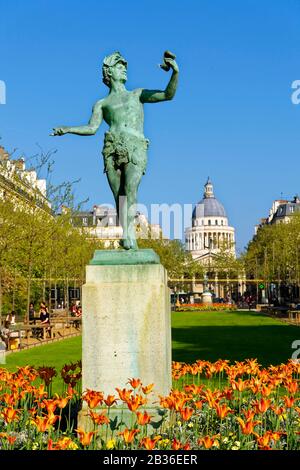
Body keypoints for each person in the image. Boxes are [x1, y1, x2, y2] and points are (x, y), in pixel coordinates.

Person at [52, 51, 178, 250]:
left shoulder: (137, 94)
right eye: (120, 67)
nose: (125, 70)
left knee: (130, 189)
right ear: (109, 73)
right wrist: (68, 129)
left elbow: (167, 95)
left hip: (135, 147)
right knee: (119, 197)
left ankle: (129, 237)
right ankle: (125, 235)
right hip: (111, 149)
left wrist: (175, 73)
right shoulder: (102, 104)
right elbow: (92, 128)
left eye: (125, 67)